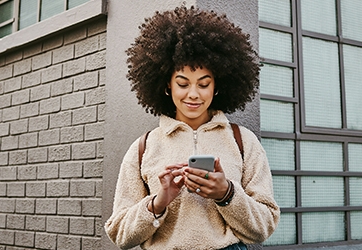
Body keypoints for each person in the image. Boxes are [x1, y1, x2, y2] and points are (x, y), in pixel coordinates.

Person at [104, 6, 280, 250]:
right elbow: (120, 235)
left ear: (217, 87)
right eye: (183, 83)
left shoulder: (243, 141)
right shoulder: (143, 147)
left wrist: (226, 194)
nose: (193, 94)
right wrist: (158, 202)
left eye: (204, 84)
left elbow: (264, 227)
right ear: (168, 85)